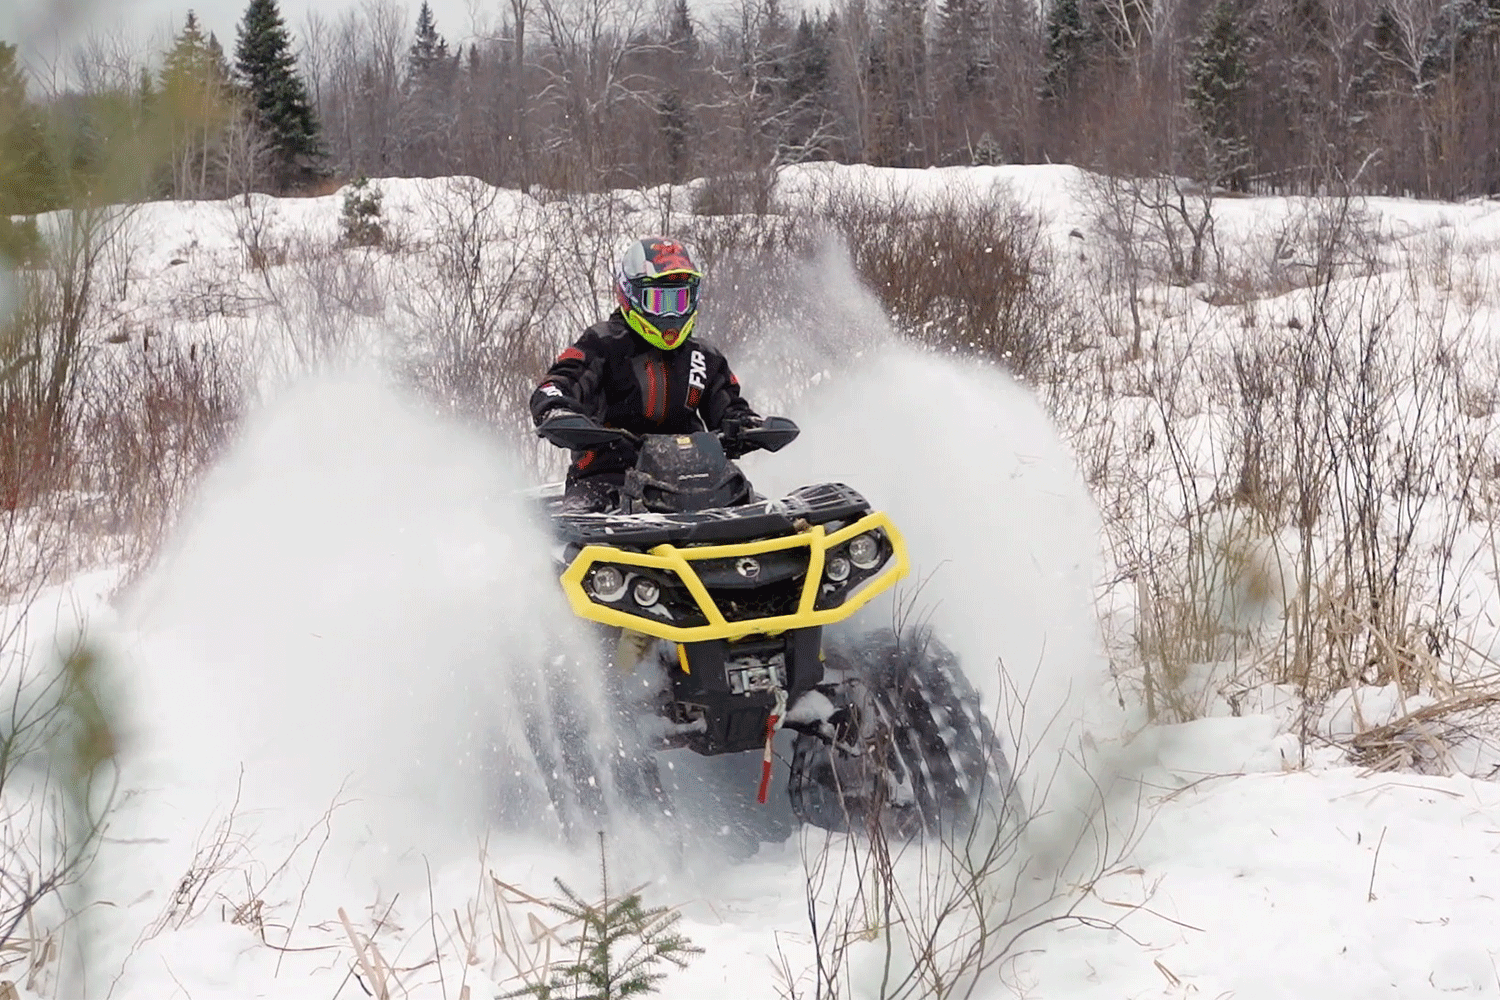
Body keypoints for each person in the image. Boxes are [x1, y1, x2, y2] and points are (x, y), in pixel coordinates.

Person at [531, 237, 763, 512]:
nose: (670, 313)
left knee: (758, 510)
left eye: (679, 299)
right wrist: (557, 411)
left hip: (697, 480)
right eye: (658, 300)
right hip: (608, 476)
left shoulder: (703, 356)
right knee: (578, 524)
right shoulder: (603, 344)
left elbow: (729, 406)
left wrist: (745, 426)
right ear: (630, 295)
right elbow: (555, 385)